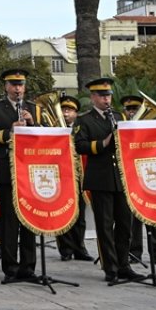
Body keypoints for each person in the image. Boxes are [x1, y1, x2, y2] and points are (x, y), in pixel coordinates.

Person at [73, 77, 138, 283]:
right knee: (105, 225)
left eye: (108, 95)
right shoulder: (84, 120)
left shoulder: (118, 116)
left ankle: (124, 265)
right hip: (100, 179)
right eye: (102, 96)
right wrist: (104, 142)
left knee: (125, 224)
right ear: (93, 97)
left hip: (120, 178)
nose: (106, 99)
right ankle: (110, 268)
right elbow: (80, 146)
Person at [0, 68, 39, 283]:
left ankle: (29, 267)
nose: (18, 88)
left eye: (21, 84)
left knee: (29, 220)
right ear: (6, 86)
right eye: (13, 85)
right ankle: (10, 268)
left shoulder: (33, 108)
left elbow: (45, 136)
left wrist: (33, 123)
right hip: (6, 169)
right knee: (9, 222)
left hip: (28, 171)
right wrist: (10, 130)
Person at [122, 95, 156, 266]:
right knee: (133, 221)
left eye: (135, 109)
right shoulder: (122, 130)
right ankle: (135, 252)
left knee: (154, 218)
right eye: (129, 110)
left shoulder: (153, 131)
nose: (132, 113)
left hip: (149, 178)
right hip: (131, 178)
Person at [55, 95, 92, 261]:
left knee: (79, 215)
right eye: (63, 110)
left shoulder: (81, 128)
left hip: (79, 175)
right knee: (62, 212)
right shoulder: (54, 129)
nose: (65, 113)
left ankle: (79, 248)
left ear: (76, 113)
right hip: (61, 176)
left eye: (69, 110)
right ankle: (65, 249)